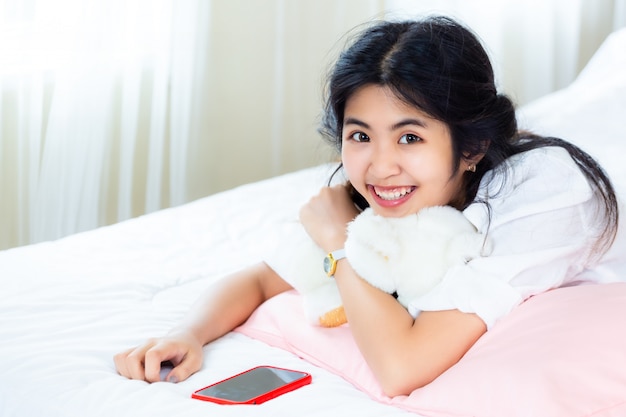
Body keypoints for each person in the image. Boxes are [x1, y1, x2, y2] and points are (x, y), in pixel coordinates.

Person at [114, 16, 621, 396]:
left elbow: (402, 368)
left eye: (409, 138)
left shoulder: (547, 193)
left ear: (471, 147)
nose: (379, 168)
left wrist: (342, 243)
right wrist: (188, 334)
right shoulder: (374, 197)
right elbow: (261, 279)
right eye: (360, 135)